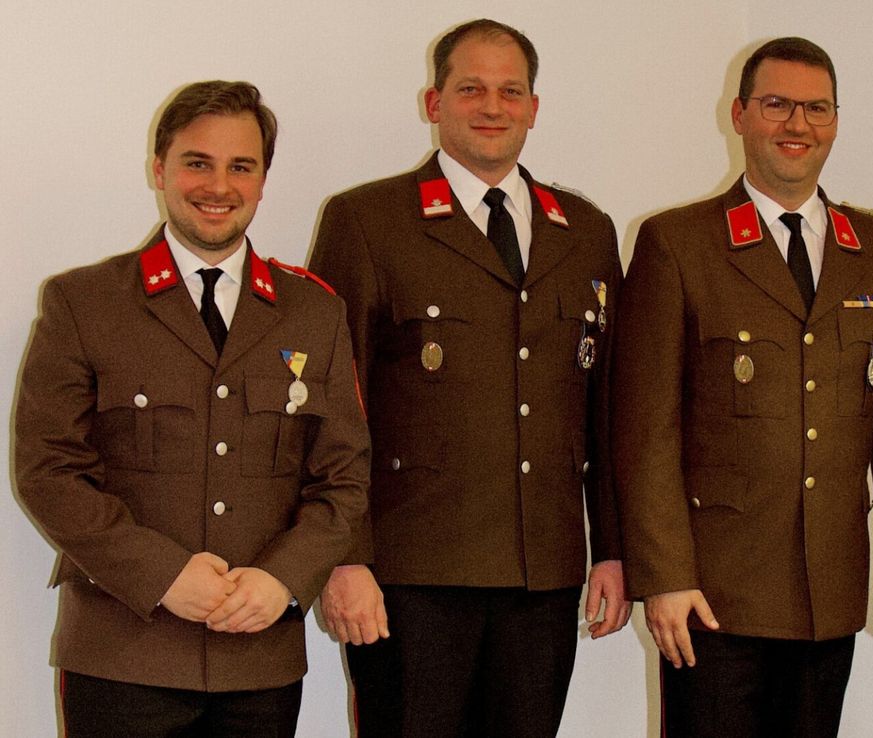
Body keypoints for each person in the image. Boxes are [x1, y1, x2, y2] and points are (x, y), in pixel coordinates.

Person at [13, 80, 370, 737]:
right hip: (123, 653)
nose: (219, 186)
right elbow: (48, 471)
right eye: (197, 162)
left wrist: (285, 580)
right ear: (159, 169)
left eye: (242, 166)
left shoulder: (315, 313)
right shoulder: (85, 303)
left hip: (259, 663)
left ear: (263, 179)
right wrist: (161, 574)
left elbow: (342, 479)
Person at [307, 18, 629, 737]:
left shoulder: (585, 229)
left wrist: (611, 547)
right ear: (434, 102)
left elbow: (605, 411)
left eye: (511, 91)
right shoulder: (369, 221)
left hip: (543, 574)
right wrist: (344, 558)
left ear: (534, 108)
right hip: (412, 575)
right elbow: (333, 407)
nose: (493, 107)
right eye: (472, 89)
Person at [612, 37, 873, 737]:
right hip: (713, 593)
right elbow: (645, 430)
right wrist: (664, 575)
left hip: (830, 585)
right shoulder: (678, 243)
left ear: (836, 122)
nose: (798, 125)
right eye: (778, 105)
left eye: (816, 109)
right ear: (740, 114)